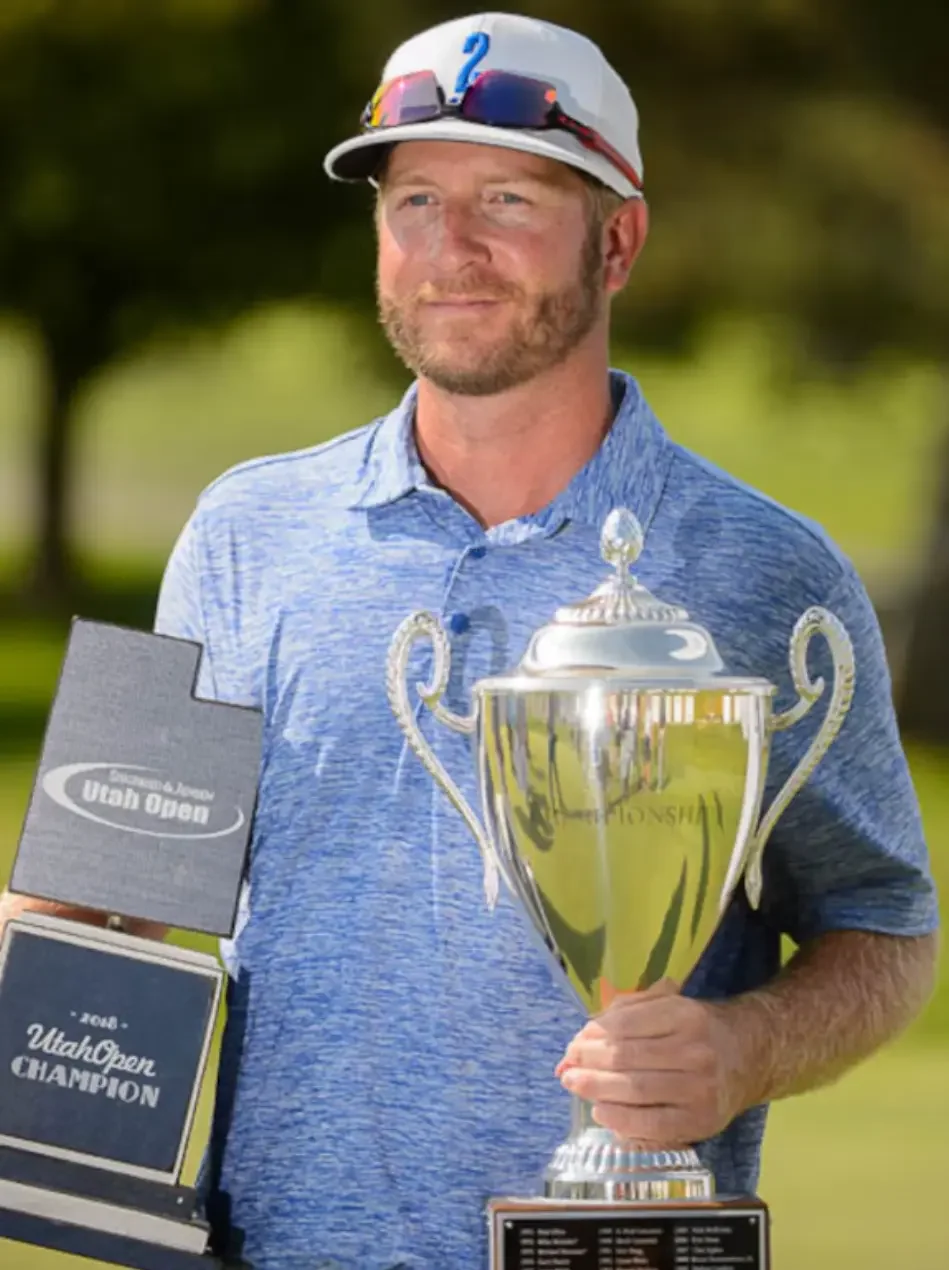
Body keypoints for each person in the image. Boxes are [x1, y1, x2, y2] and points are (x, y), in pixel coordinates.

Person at [2, 12, 939, 1270]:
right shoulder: (242, 533)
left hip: (621, 1248)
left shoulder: (768, 570)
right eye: (414, 201)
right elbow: (113, 883)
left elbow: (884, 925)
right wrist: (46, 937)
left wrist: (740, 1048)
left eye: (507, 198)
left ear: (618, 240)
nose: (451, 249)